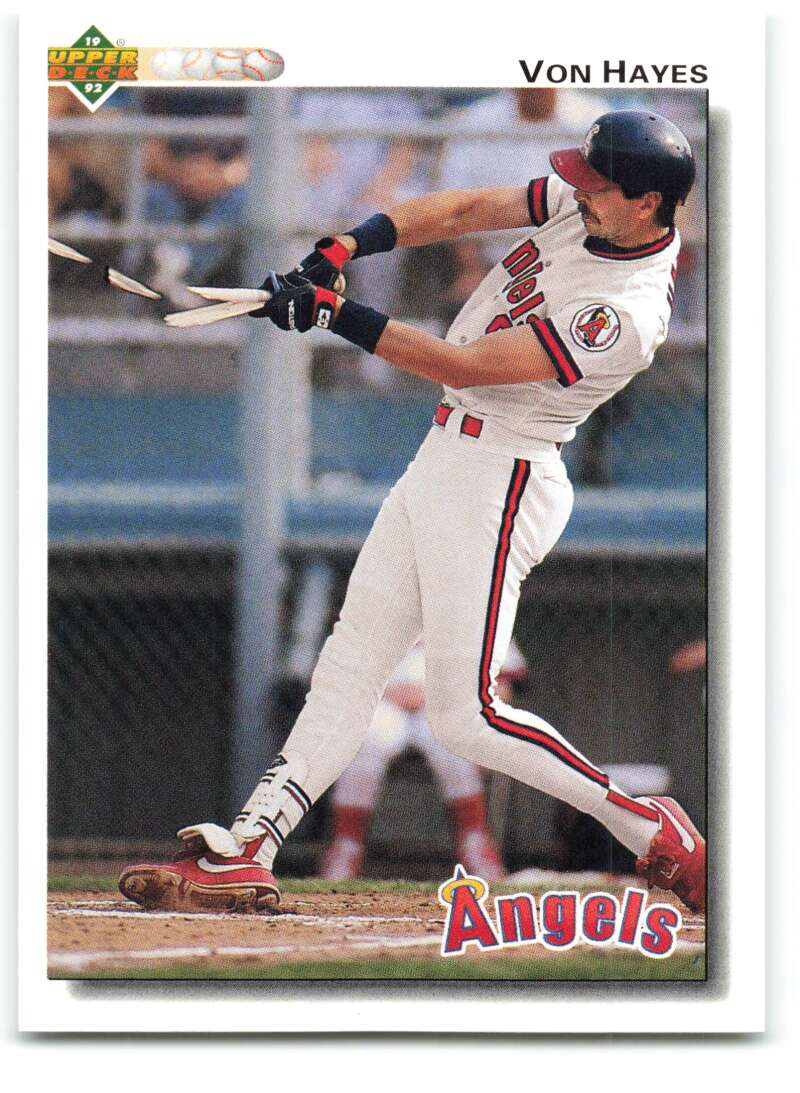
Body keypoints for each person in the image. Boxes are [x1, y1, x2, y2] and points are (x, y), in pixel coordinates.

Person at [120, 110, 706, 915]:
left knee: (467, 717)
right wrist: (342, 249)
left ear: (646, 203)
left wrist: (337, 315)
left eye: (597, 183)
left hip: (504, 473)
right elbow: (462, 211)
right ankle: (249, 845)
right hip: (445, 456)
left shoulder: (625, 313)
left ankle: (650, 828)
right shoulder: (591, 206)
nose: (578, 190)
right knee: (349, 664)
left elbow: (464, 362)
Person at [321, 640, 528, 881]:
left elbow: (504, 684)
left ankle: (474, 843)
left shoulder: (476, 606)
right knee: (366, 739)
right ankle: (346, 846)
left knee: (453, 742)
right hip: (380, 702)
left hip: (447, 707)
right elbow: (337, 674)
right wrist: (385, 690)